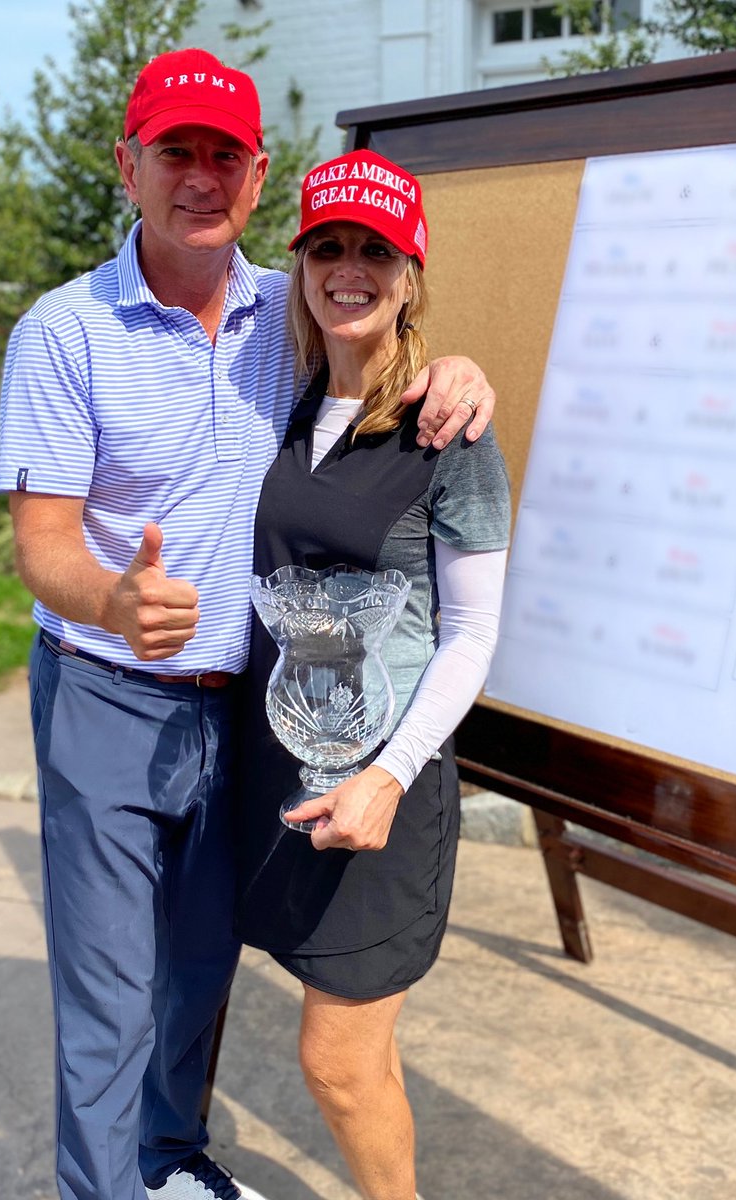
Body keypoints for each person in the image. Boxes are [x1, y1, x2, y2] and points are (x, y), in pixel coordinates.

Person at [0, 48, 496, 1200]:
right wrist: (110, 600)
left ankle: (168, 1161)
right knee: (110, 990)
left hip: (245, 713)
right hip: (107, 693)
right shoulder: (64, 333)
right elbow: (44, 542)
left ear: (260, 176)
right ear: (128, 164)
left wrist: (464, 371)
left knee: (196, 971)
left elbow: (390, 342)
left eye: (225, 155)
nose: (200, 177)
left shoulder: (297, 307)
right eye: (175, 150)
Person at [235, 149, 511, 1200]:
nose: (349, 271)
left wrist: (388, 777)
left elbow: (471, 634)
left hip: (385, 787)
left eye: (375, 253)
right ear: (301, 265)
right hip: (284, 772)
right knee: (363, 1051)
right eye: (328, 248)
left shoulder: (450, 432)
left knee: (336, 1064)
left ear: (410, 277)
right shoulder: (289, 400)